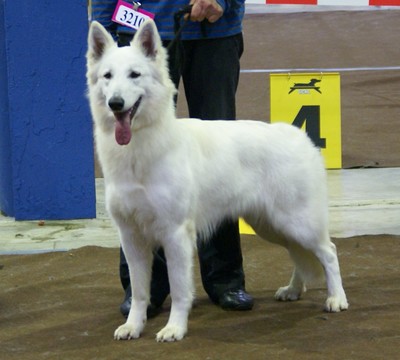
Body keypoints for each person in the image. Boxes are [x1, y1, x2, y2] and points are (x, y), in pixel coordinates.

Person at [90, 0, 253, 317]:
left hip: (214, 34)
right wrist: (105, 30)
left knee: (220, 162)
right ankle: (146, 291)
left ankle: (225, 280)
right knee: (135, 173)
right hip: (140, 30)